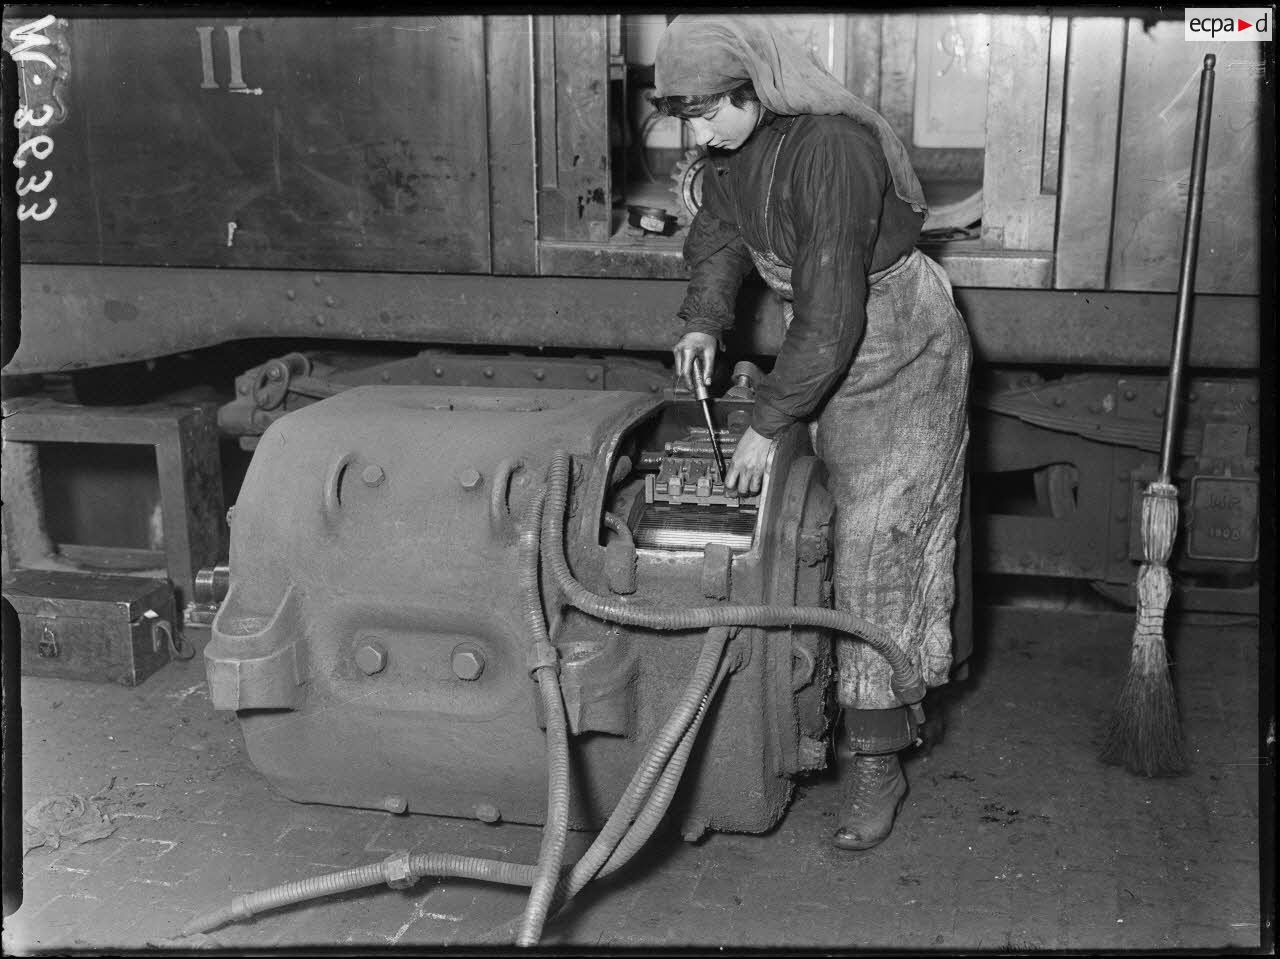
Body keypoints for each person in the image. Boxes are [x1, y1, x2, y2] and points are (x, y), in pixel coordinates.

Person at [652, 15, 971, 851]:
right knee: (806, 530)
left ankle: (879, 758)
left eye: (710, 110)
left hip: (894, 345)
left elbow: (832, 315)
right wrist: (703, 323)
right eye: (685, 116)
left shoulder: (830, 149)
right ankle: (805, 703)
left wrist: (769, 420)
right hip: (825, 340)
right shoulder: (736, 150)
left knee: (875, 543)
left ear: (756, 89)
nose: (700, 132)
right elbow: (719, 235)